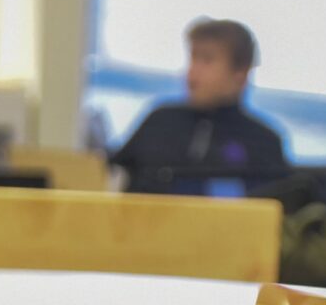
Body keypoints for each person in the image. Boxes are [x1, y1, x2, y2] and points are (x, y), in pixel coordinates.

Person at [111, 19, 290, 187]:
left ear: (240, 74)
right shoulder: (159, 121)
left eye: (207, 60)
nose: (193, 71)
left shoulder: (263, 143)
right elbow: (112, 178)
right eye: (193, 58)